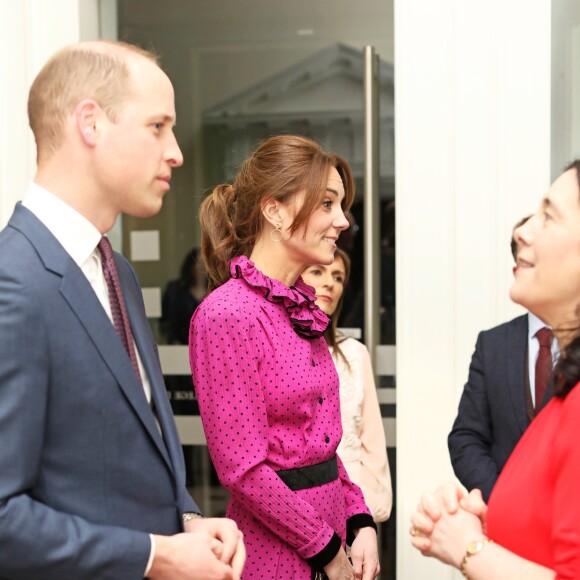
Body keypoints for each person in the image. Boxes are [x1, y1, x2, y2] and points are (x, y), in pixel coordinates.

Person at [0, 40, 244, 580]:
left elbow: (125, 456)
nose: (176, 151)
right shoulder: (12, 284)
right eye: (158, 126)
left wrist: (186, 520)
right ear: (90, 122)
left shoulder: (118, 273)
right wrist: (155, 556)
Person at [189, 135, 380, 579]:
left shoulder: (302, 310)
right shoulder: (226, 315)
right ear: (274, 210)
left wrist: (360, 520)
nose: (343, 221)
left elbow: (323, 447)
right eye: (327, 204)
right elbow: (244, 470)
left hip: (332, 538)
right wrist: (327, 551)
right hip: (273, 555)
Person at [410, 160, 580, 579]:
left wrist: (466, 548)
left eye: (549, 215)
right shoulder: (564, 393)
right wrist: (491, 519)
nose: (522, 231)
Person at [447, 216, 559, 501]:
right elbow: (466, 438)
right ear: (517, 270)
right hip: (505, 516)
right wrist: (504, 499)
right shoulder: (493, 344)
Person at [302, 248, 392, 522]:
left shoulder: (355, 353)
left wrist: (370, 507)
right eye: (317, 271)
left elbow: (373, 441)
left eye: (338, 277)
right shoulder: (277, 348)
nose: (330, 282)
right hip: (300, 506)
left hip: (355, 505)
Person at [161, 248, 206, 345]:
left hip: (206, 349)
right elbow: (165, 324)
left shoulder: (214, 292)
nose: (202, 268)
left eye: (205, 264)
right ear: (190, 266)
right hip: (178, 349)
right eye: (198, 263)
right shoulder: (176, 290)